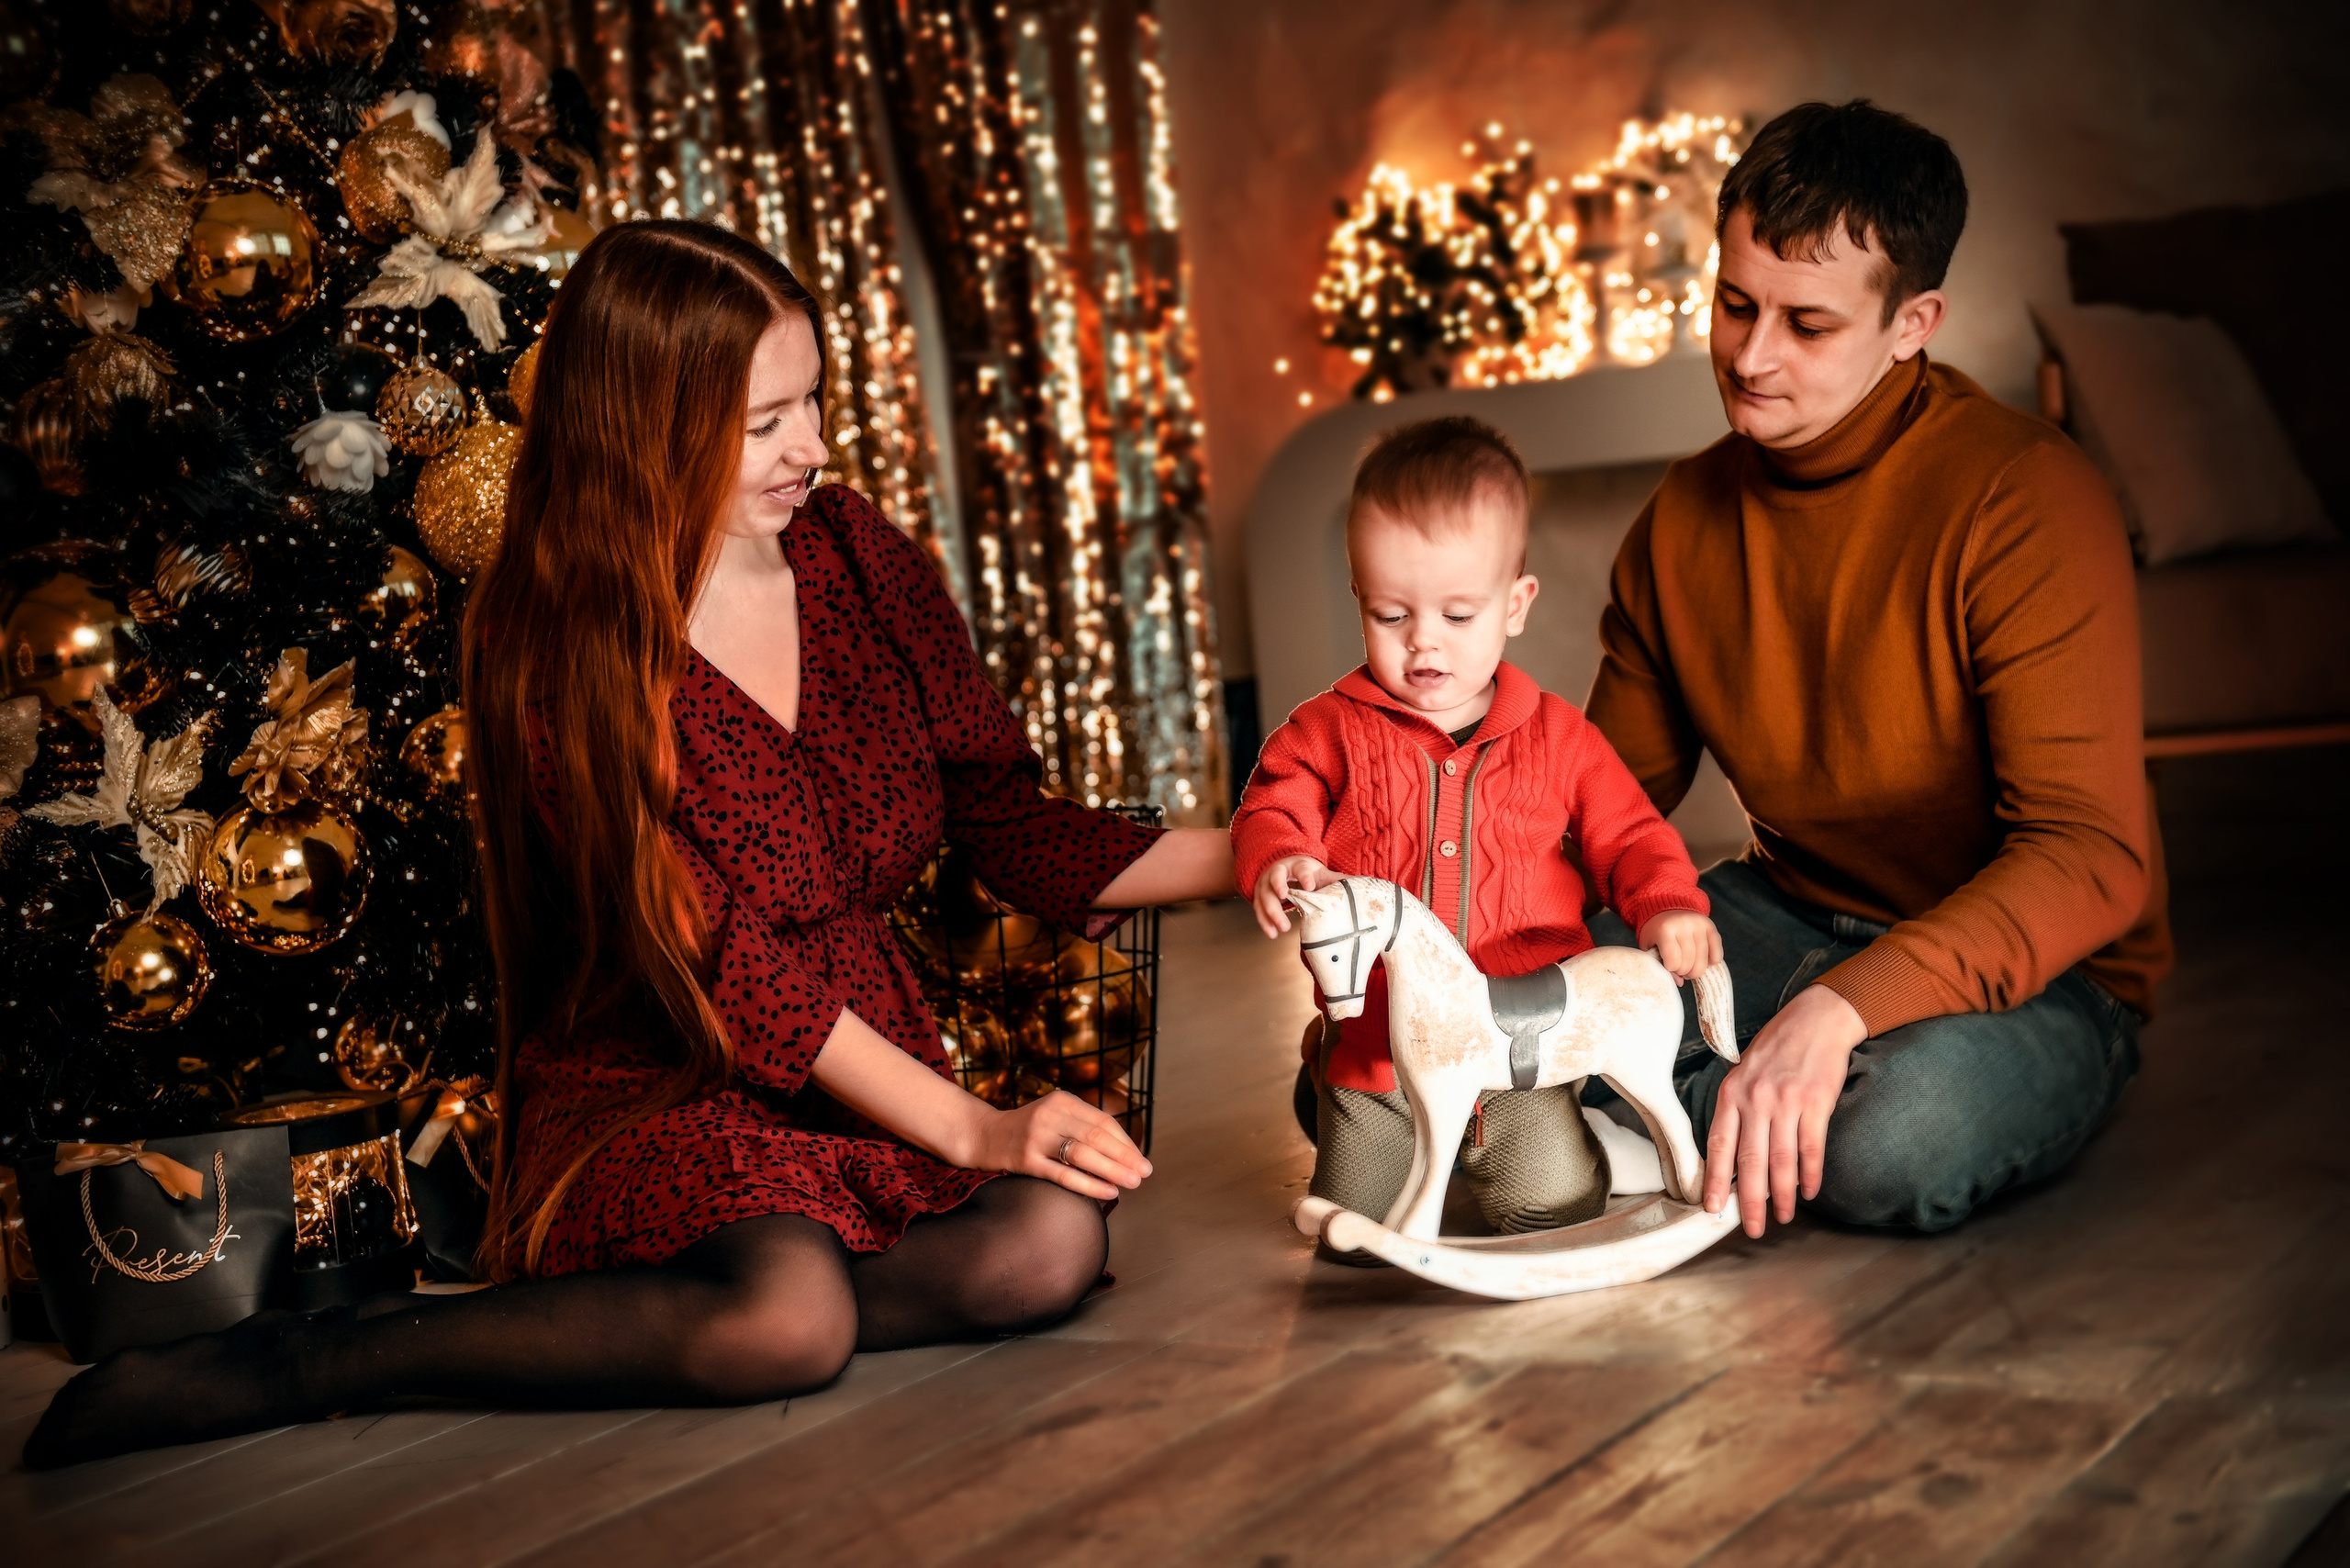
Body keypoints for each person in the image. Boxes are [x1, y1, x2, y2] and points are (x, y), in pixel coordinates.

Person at [26, 220, 1233, 1468]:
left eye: (814, 401)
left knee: (1049, 1245)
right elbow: (719, 960)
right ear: (643, 428)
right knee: (788, 1322)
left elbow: (1009, 819)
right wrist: (972, 1128)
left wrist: (1279, 848)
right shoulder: (561, 642)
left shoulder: (856, 555)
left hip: (863, 1073)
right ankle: (332, 1353)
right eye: (765, 423)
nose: (814, 447)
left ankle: (723, 1290)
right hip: (659, 1080)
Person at [1584, 100, 2166, 1240]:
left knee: (1889, 1134)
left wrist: (1845, 1008)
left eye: (1807, 324)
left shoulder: (2026, 498)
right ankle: (1722, 1116)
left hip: (2041, 975)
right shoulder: (1681, 518)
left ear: (1912, 324)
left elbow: (2090, 857)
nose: (1751, 357)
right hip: (1782, 917)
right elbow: (1595, 808)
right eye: (1734, 304)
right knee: (1483, 1003)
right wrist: (1443, 960)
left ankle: (1633, 1125)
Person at [1232, 417, 1724, 1255]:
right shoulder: (1329, 728)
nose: (1423, 641)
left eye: (1459, 614)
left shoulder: (1561, 739)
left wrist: (1668, 904)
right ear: (1359, 597)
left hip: (1525, 1051)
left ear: (1515, 605)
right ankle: (1341, 1091)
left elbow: (1631, 834)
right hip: (1378, 1053)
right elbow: (1274, 803)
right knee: (1355, 1225)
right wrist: (1279, 856)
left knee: (1549, 1207)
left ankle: (1580, 1147)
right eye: (1391, 614)